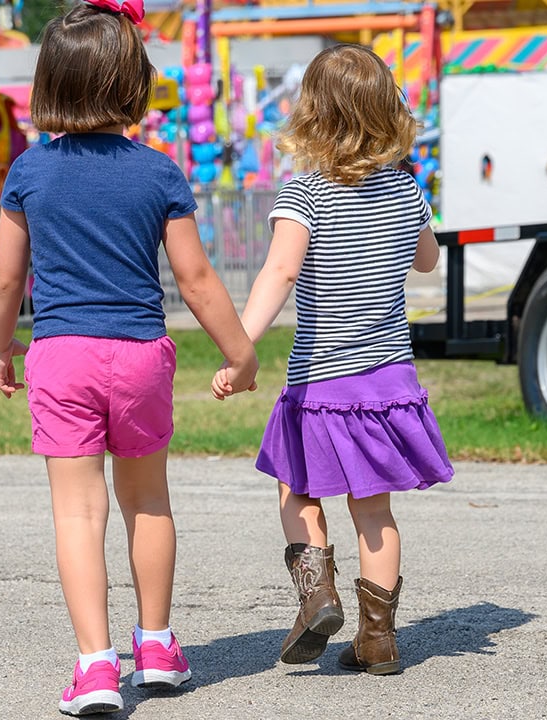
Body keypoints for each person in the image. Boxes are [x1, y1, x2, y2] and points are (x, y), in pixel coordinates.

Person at [0, 0, 259, 714]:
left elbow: (7, 279)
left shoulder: (29, 174)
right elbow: (197, 282)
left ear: (51, 83)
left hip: (62, 354)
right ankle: (159, 646)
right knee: (147, 501)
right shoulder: (159, 174)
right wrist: (243, 352)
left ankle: (95, 665)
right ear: (132, 82)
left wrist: (0, 349)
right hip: (140, 354)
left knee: (78, 514)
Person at [212, 44, 454, 676]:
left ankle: (317, 595)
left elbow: (278, 273)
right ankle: (379, 641)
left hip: (323, 383)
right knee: (376, 512)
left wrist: (240, 344)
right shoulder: (408, 189)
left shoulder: (305, 193)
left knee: (299, 493)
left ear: (312, 113)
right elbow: (428, 261)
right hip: (389, 384)